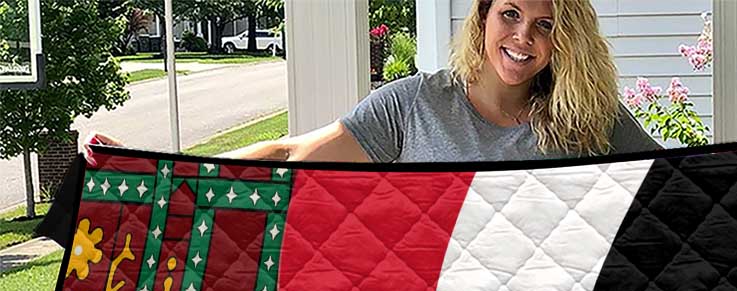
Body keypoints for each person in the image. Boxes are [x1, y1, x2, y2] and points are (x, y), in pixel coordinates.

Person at [88, 0, 661, 164]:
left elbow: (682, 190)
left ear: (564, 40)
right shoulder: (414, 104)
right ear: (483, 17)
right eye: (510, 14)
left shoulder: (588, 116)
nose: (522, 37)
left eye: (544, 25)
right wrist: (154, 163)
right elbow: (293, 152)